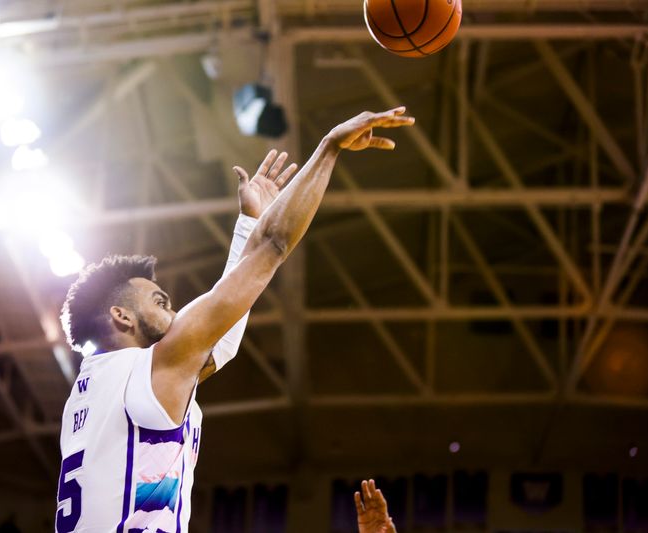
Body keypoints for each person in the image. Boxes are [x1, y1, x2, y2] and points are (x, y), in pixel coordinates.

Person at [55, 108, 415, 533]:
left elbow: (217, 344)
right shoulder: (155, 368)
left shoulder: (92, 392)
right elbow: (275, 244)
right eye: (159, 300)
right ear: (121, 315)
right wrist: (329, 147)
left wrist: (247, 223)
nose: (173, 309)